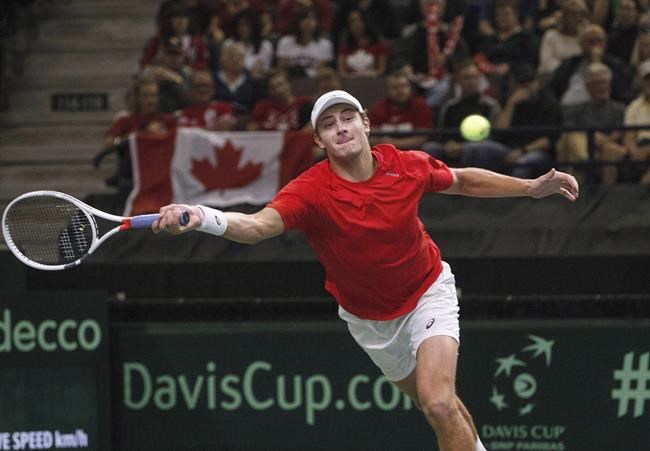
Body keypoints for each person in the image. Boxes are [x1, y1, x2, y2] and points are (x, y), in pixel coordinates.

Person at [152, 89, 579, 451]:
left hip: (427, 292)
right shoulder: (311, 190)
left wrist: (530, 187)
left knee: (437, 402)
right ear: (319, 140)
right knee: (437, 404)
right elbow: (258, 226)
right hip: (369, 321)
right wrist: (202, 216)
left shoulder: (404, 165)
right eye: (329, 124)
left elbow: (463, 179)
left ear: (366, 124)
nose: (340, 128)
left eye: (348, 118)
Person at [557, 62, 627, 183]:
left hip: (608, 149)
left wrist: (599, 139)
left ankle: (587, 164)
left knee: (608, 149)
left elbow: (621, 133)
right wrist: (591, 137)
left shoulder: (619, 109)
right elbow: (571, 133)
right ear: (588, 87)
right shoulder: (579, 110)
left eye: (603, 82)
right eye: (596, 83)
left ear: (609, 84)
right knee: (567, 138)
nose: (601, 87)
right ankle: (584, 163)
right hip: (583, 148)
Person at [368, 70, 435, 150]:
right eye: (395, 87)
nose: (400, 91)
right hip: (385, 153)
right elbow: (372, 138)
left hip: (414, 151)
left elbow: (421, 138)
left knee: (430, 147)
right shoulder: (378, 109)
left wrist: (392, 144)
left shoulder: (420, 106)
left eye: (404, 86)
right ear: (387, 90)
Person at [246, 70, 311, 131]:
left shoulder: (304, 103)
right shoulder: (262, 106)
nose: (278, 90)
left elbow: (311, 127)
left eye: (280, 84)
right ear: (269, 91)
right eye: (273, 88)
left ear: (289, 84)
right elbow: (251, 130)